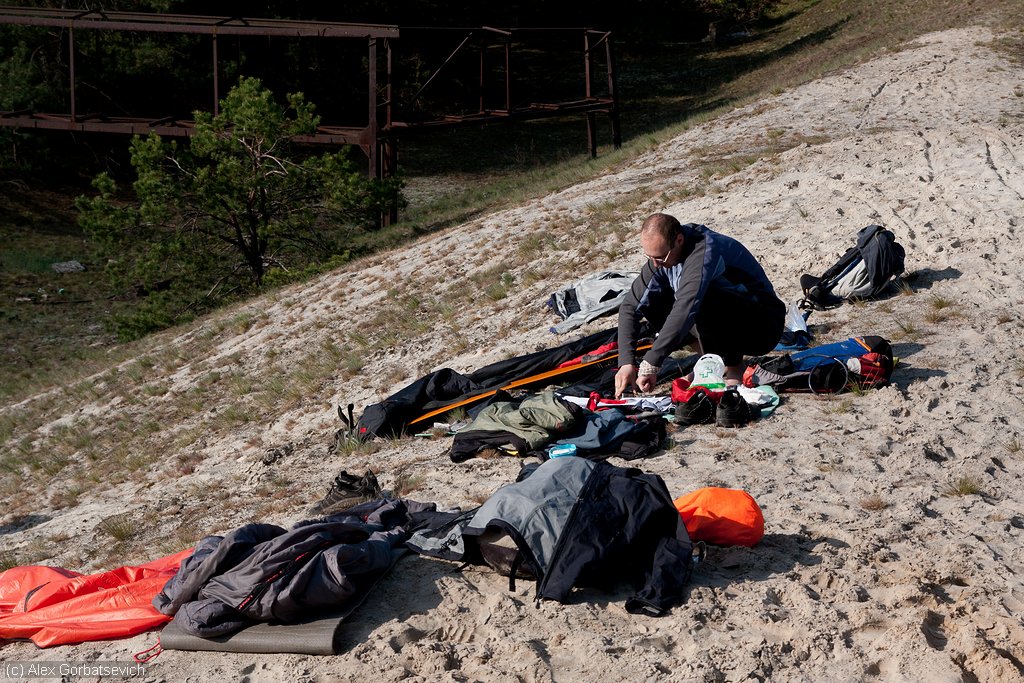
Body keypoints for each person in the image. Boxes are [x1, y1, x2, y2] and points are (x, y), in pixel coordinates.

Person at [614, 213, 786, 398]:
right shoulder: (661, 259)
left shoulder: (704, 249)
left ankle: (733, 368)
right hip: (729, 321)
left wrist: (651, 363)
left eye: (660, 257)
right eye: (650, 257)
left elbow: (685, 308)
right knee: (651, 300)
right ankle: (712, 361)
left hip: (763, 324)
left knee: (701, 297)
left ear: (679, 240)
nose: (655, 264)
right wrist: (626, 363)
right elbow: (630, 307)